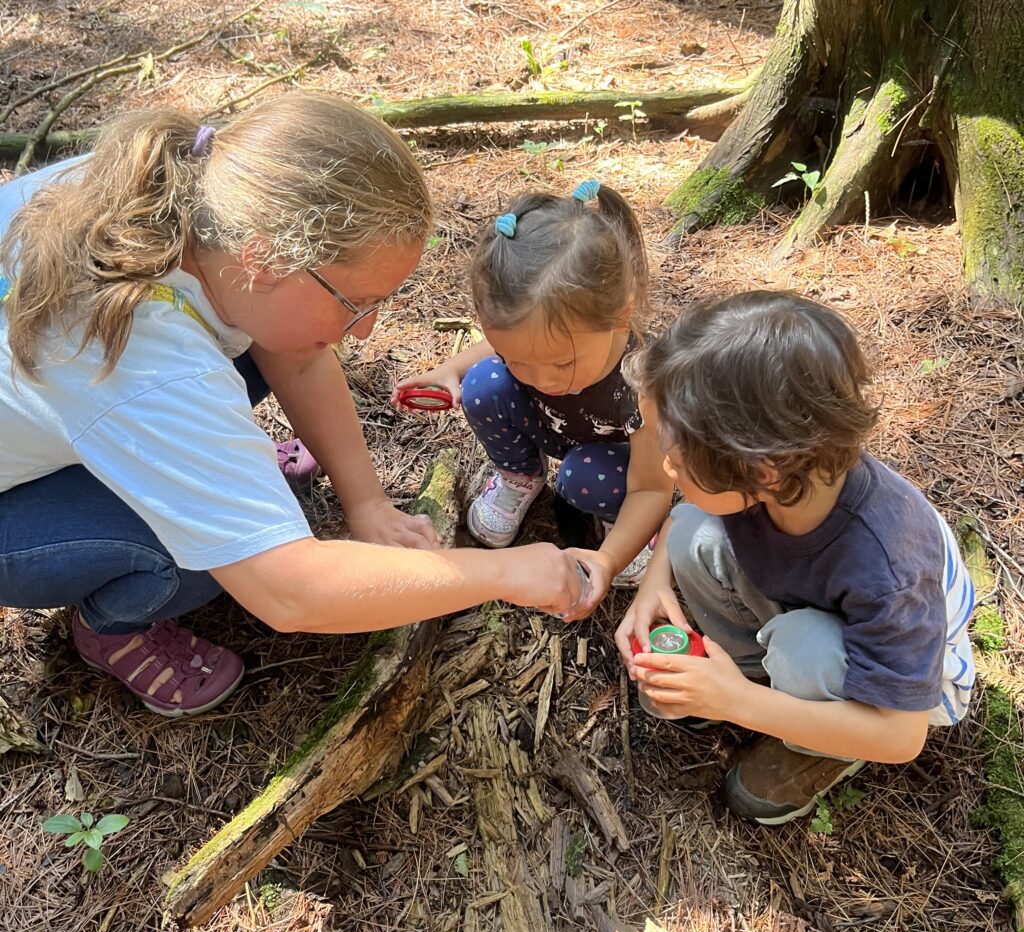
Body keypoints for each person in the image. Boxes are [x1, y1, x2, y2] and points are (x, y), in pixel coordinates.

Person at [0, 93, 584, 718]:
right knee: (198, 557)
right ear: (264, 260)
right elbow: (287, 593)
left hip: (70, 410)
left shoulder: (201, 190)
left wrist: (367, 503)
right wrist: (510, 575)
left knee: (279, 342)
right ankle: (112, 624)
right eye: (355, 302)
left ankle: (200, 476)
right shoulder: (145, 362)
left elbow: (296, 354)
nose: (364, 331)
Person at [615, 291, 976, 825]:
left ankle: (822, 743)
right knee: (692, 529)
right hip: (804, 601)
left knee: (804, 649)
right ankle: (748, 676)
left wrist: (734, 703)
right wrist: (653, 584)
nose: (666, 469)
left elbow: (903, 736)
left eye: (675, 455)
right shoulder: (781, 473)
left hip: (896, 689)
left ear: (760, 472)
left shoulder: (889, 567)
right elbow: (685, 514)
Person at [392, 181, 674, 617]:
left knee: (584, 476)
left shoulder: (644, 382)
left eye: (561, 364)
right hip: (554, 430)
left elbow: (653, 487)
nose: (541, 380)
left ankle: (626, 528)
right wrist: (451, 371)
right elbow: (507, 354)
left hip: (616, 462)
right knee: (484, 384)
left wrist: (608, 557)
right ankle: (520, 476)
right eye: (517, 358)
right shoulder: (543, 347)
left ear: (620, 316)